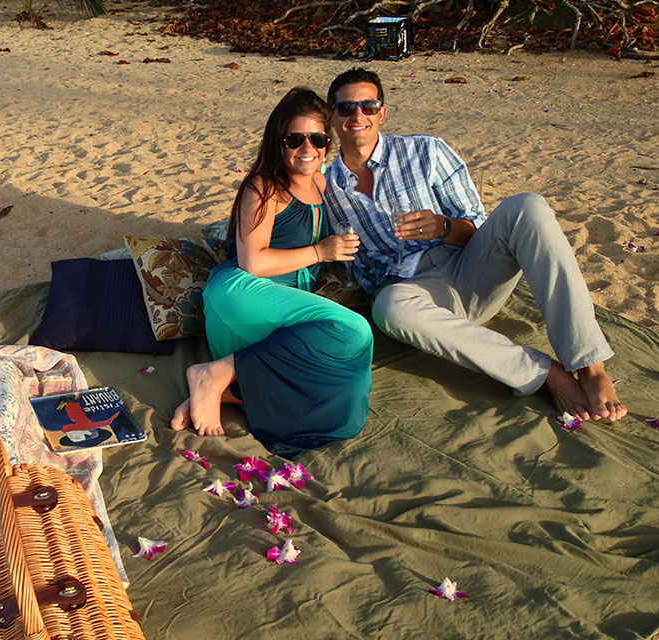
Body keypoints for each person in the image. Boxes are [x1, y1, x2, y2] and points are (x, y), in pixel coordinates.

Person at [322, 68, 625, 423]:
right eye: (346, 108)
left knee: (527, 206)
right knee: (389, 307)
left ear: (382, 113)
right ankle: (546, 374)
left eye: (368, 106)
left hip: (469, 268)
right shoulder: (326, 185)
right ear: (331, 116)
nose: (357, 116)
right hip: (413, 294)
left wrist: (442, 226)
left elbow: (478, 227)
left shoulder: (426, 151)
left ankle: (590, 366)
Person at [170, 87, 374, 457]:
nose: (307, 149)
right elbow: (253, 263)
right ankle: (212, 374)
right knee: (354, 330)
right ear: (278, 142)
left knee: (349, 407)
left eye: (317, 139)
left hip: (281, 316)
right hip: (242, 295)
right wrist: (321, 251)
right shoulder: (264, 187)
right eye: (295, 139)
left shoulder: (321, 183)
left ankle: (229, 392)